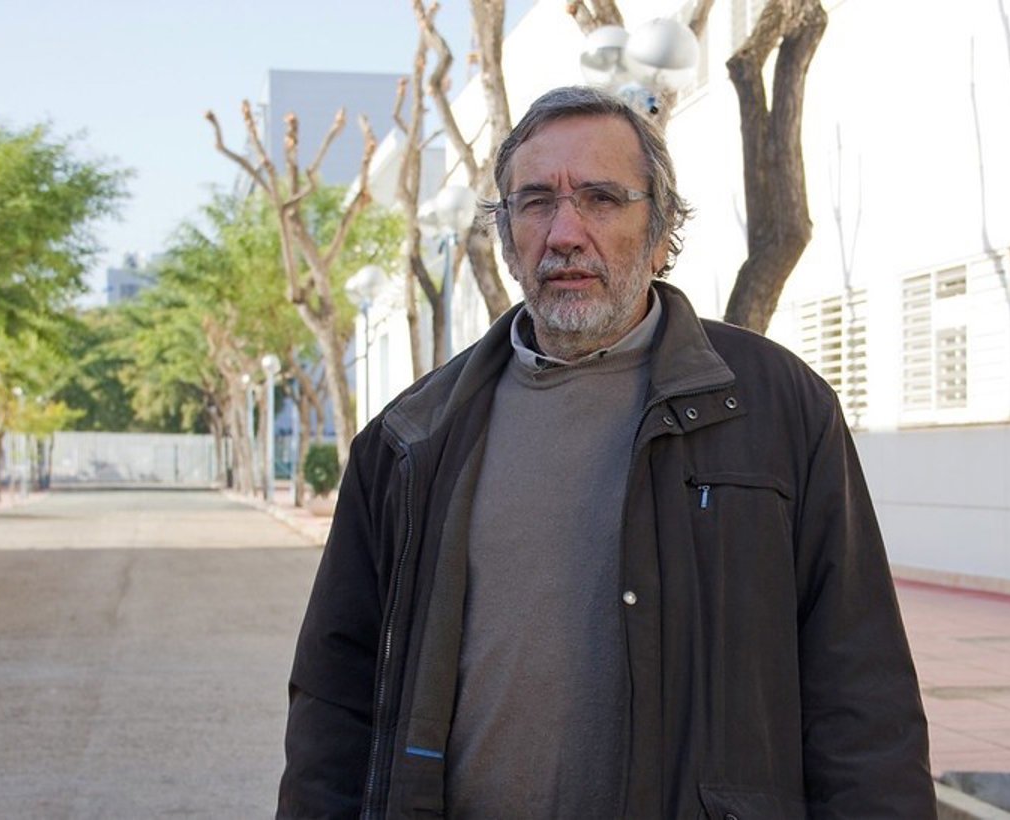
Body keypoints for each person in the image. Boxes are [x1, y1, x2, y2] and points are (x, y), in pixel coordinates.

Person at [278, 85, 936, 819]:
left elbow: (861, 693)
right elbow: (334, 699)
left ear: (660, 233)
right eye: (535, 202)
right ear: (507, 239)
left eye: (601, 198)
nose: (565, 232)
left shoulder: (778, 409)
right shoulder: (412, 437)